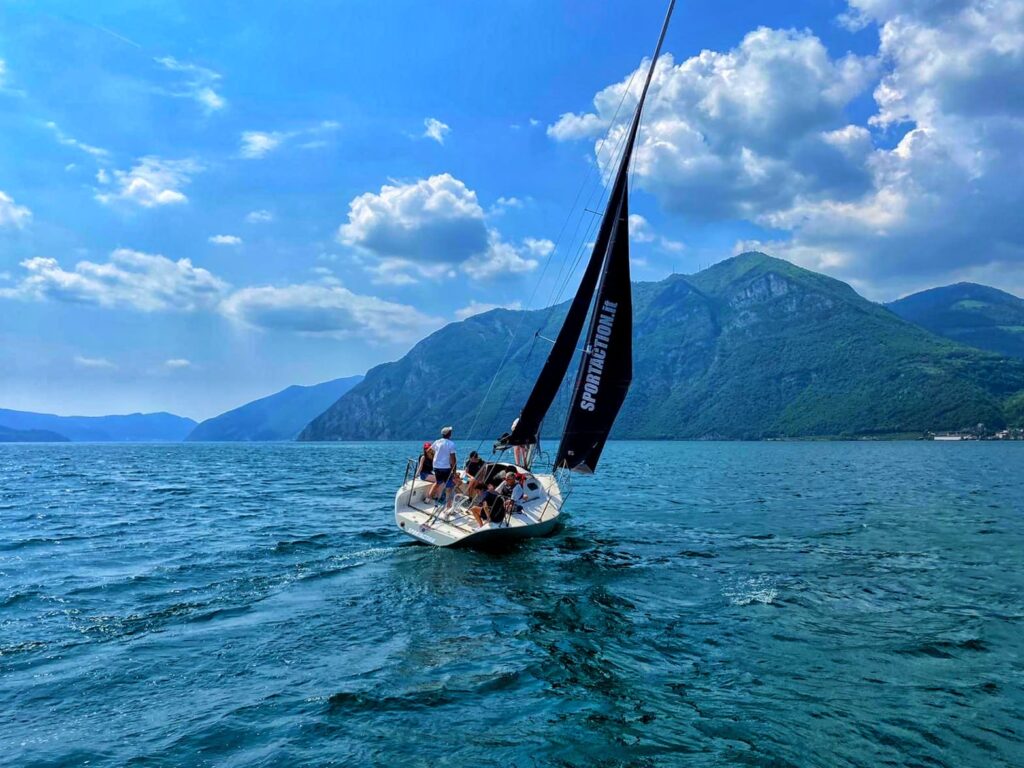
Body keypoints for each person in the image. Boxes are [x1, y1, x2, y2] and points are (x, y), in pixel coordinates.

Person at [428, 426, 456, 502]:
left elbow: (429, 451)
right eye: (450, 432)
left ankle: (428, 498)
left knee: (438, 482)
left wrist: (433, 458)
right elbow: (453, 458)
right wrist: (454, 470)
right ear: (449, 434)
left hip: (436, 466)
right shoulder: (451, 444)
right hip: (446, 467)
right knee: (449, 486)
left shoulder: (437, 442)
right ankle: (448, 504)